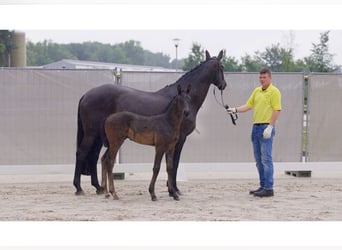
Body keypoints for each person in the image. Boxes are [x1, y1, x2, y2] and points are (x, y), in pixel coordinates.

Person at [227, 68, 282, 197]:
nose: (262, 79)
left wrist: (270, 127)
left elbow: (277, 110)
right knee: (258, 160)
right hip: (256, 128)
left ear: (270, 78)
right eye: (260, 77)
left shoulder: (274, 92)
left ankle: (269, 188)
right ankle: (263, 185)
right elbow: (248, 106)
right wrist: (235, 110)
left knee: (266, 159)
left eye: (264, 77)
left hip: (265, 128)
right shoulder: (257, 91)